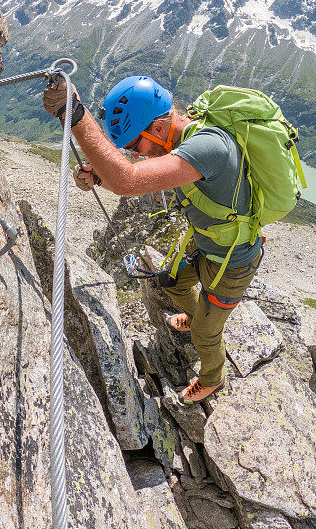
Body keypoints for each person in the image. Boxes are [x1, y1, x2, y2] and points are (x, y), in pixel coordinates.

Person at [43, 76, 262, 404]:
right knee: (172, 283)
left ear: (158, 129)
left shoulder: (208, 147)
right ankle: (200, 313)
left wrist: (73, 115)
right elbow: (142, 176)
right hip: (207, 244)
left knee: (206, 333)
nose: (134, 154)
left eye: (134, 146)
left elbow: (128, 179)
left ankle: (213, 376)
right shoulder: (185, 139)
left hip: (233, 261)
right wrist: (102, 176)